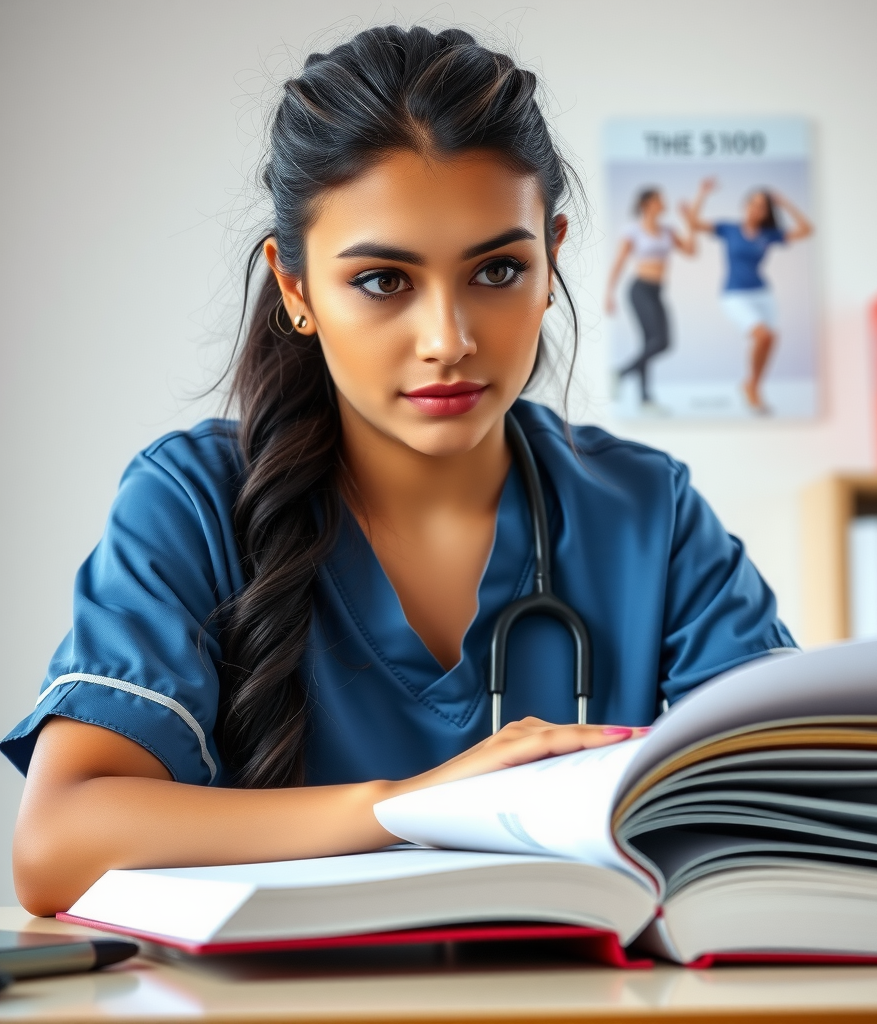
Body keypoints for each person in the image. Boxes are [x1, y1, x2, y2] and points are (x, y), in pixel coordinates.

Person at [3, 27, 795, 917]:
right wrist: (420, 806)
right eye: (384, 281)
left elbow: (781, 805)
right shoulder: (188, 503)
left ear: (553, 259)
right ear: (295, 290)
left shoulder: (650, 512)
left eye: (498, 269)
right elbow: (56, 844)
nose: (449, 339)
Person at [682, 178, 813, 414]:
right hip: (734, 294)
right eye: (753, 203)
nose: (756, 209)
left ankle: (753, 385)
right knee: (762, 335)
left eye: (762, 206)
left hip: (762, 294)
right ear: (745, 206)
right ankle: (751, 385)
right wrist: (701, 194)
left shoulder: (769, 234)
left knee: (770, 339)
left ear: (766, 213)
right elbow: (693, 222)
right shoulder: (728, 229)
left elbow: (807, 229)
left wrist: (784, 203)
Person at [604, 189, 694, 411]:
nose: (663, 202)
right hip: (639, 290)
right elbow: (620, 261)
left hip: (657, 291)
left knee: (656, 343)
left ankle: (641, 395)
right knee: (657, 342)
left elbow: (691, 251)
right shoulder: (633, 230)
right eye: (658, 199)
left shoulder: (668, 231)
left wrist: (689, 221)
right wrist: (609, 292)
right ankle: (626, 379)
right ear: (646, 204)